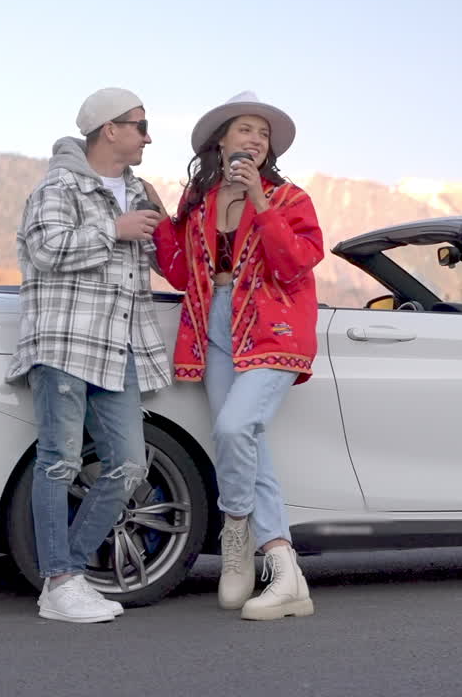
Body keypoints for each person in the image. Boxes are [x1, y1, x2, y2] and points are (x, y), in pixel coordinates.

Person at [149, 91, 322, 621]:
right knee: (247, 442)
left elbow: (293, 264)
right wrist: (160, 220)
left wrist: (260, 204)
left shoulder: (290, 198)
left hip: (273, 325)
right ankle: (286, 575)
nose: (254, 139)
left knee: (232, 430)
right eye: (245, 129)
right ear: (219, 140)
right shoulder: (198, 203)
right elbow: (180, 273)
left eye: (262, 134)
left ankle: (240, 537)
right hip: (213, 325)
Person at [6, 88, 171, 623]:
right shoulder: (58, 185)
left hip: (120, 345)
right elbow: (44, 248)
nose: (148, 136)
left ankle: (68, 573)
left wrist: (161, 219)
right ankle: (59, 582)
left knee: (127, 465)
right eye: (141, 125)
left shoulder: (138, 192)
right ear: (110, 130)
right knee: (59, 462)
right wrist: (113, 229)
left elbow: (163, 264)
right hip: (65, 342)